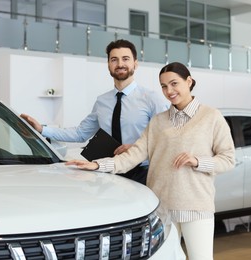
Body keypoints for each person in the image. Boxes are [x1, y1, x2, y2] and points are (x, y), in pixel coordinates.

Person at [65, 62, 235, 260]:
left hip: (195, 206)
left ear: (189, 82)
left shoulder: (211, 117)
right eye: (163, 86)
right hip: (161, 208)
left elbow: (228, 160)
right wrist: (98, 165)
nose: (169, 91)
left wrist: (197, 161)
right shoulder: (158, 121)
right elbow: (133, 155)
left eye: (174, 84)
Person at [21, 39, 168, 185]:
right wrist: (42, 129)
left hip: (143, 172)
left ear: (135, 63)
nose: (120, 64)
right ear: (108, 65)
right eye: (114, 59)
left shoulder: (152, 99)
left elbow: (167, 138)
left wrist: (137, 148)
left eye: (125, 59)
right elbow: (80, 133)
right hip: (108, 172)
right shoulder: (102, 101)